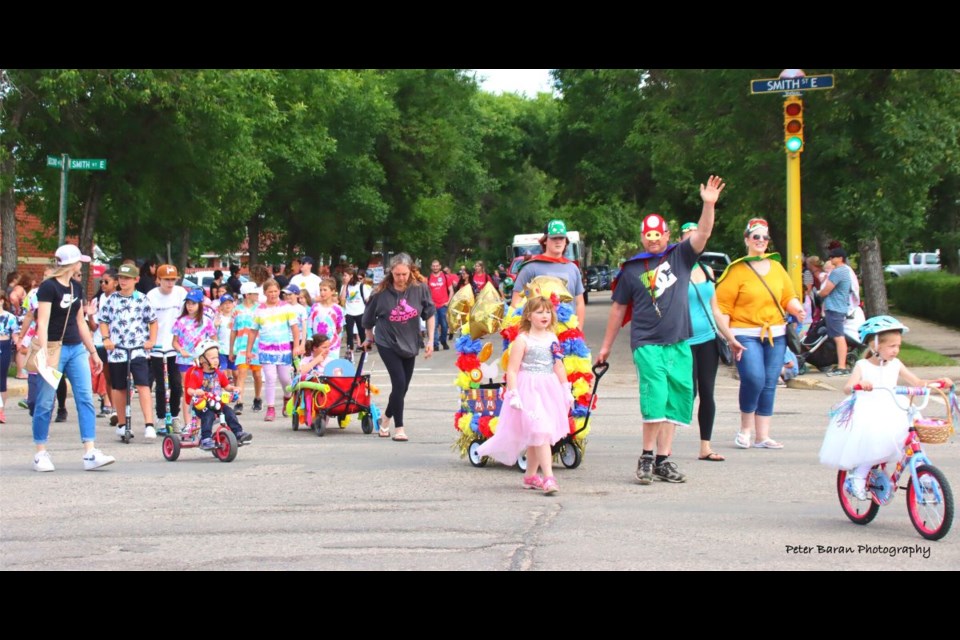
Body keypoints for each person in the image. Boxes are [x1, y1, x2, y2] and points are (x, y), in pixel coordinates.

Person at [597, 176, 725, 485]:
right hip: (647, 343)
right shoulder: (631, 269)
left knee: (676, 399)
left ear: (667, 234)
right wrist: (605, 347)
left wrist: (708, 204)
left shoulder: (680, 256)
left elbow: (704, 232)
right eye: (648, 234)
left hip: (679, 341)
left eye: (659, 233)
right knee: (655, 395)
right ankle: (645, 456)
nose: (654, 239)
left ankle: (663, 460)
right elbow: (617, 310)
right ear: (642, 237)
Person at [819, 316, 953, 499]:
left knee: (913, 437)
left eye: (898, 346)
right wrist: (860, 385)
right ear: (875, 346)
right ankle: (859, 476)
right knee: (874, 443)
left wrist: (937, 382)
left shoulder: (896, 364)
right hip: (870, 408)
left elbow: (918, 382)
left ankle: (923, 474)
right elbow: (847, 387)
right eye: (891, 346)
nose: (896, 350)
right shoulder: (863, 365)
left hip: (895, 407)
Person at [716, 217, 806, 450]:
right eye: (756, 236)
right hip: (745, 333)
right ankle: (745, 429)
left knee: (769, 382)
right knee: (754, 378)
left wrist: (796, 307)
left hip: (776, 333)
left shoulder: (777, 267)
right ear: (747, 239)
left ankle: (762, 435)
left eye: (765, 237)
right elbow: (723, 307)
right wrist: (728, 336)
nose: (761, 241)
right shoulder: (736, 270)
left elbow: (788, 296)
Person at [476, 296, 573, 495]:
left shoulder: (553, 338)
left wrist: (565, 388)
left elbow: (558, 364)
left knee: (537, 435)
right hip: (528, 389)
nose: (544, 315)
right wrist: (514, 393)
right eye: (539, 312)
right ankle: (548, 477)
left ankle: (530, 476)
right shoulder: (523, 340)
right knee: (540, 430)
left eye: (547, 311)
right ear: (529, 316)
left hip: (549, 388)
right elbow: (512, 370)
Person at [30, 244, 115, 472]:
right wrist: (45, 353)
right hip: (55, 348)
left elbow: (81, 322)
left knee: (85, 397)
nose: (81, 265)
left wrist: (93, 352)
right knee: (46, 401)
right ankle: (40, 452)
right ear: (71, 263)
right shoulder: (48, 288)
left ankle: (89, 451)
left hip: (76, 348)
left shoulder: (76, 287)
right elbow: (43, 321)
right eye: (79, 261)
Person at [680, 222, 745, 462]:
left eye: (696, 237)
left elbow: (715, 310)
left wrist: (731, 338)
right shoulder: (674, 271)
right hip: (683, 342)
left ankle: (705, 446)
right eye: (687, 238)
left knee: (707, 392)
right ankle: (663, 447)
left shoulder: (707, 271)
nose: (692, 242)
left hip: (708, 339)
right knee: (686, 392)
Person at [361, 253, 436, 442]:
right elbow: (368, 320)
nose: (401, 278)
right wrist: (369, 339)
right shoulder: (380, 292)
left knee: (403, 387)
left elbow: (430, 314)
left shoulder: (420, 289)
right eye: (397, 274)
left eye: (404, 274)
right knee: (399, 382)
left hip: (410, 341)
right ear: (391, 273)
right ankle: (399, 428)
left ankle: (385, 419)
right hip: (387, 342)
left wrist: (431, 340)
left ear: (411, 271)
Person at [98, 262, 159, 441]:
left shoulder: (142, 299)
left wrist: (151, 341)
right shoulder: (112, 299)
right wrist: (106, 339)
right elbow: (103, 321)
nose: (123, 281)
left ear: (136, 280)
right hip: (118, 350)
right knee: (119, 386)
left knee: (143, 385)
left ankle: (149, 424)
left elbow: (153, 321)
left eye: (127, 278)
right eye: (121, 278)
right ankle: (122, 423)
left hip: (138, 349)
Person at [511, 219, 586, 328]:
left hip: (567, 334)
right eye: (554, 238)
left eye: (561, 238)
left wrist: (578, 331)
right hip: (537, 336)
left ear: (566, 241)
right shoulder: (530, 268)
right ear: (545, 240)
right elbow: (516, 303)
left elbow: (579, 303)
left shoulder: (573, 268)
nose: (558, 241)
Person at [247, 278, 302, 422]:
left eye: (275, 291)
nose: (273, 294)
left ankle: (287, 398)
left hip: (283, 349)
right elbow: (253, 331)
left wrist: (296, 345)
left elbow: (295, 329)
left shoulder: (286, 307)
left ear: (279, 291)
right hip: (266, 350)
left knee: (285, 379)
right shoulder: (259, 310)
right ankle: (270, 408)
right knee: (270, 378)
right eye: (270, 291)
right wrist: (248, 350)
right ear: (265, 293)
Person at [184, 340, 253, 450]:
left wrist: (234, 388)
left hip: (217, 402)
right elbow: (189, 390)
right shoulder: (197, 374)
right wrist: (196, 392)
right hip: (202, 404)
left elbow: (227, 386)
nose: (216, 360)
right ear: (202, 360)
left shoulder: (219, 373)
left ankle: (238, 432)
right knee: (208, 415)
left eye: (217, 357)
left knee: (229, 413)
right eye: (212, 358)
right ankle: (206, 438)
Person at [172, 288, 217, 420]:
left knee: (204, 389)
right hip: (185, 360)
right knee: (189, 390)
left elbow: (214, 340)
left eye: (194, 303)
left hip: (203, 360)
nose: (190, 306)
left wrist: (212, 355)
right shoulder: (180, 321)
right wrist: (181, 350)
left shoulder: (207, 321)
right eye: (188, 303)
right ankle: (188, 423)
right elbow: (174, 342)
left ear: (200, 304)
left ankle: (202, 420)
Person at [817, 246, 854, 376]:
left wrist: (819, 293)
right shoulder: (845, 271)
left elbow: (827, 289)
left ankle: (842, 366)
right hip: (839, 307)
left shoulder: (838, 272)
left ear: (840, 258)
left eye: (833, 256)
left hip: (835, 307)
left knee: (839, 337)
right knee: (837, 336)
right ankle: (841, 363)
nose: (830, 258)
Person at [230, 281, 263, 414]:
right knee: (241, 373)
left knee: (257, 374)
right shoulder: (236, 310)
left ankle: (257, 398)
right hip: (242, 346)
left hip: (257, 346)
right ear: (247, 294)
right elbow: (233, 330)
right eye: (255, 293)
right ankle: (239, 401)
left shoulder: (260, 309)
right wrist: (231, 349)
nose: (257, 295)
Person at [88, 269, 118, 417]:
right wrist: (90, 315)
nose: (103, 284)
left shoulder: (119, 299)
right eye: (101, 281)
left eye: (106, 281)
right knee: (108, 377)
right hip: (100, 342)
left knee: (118, 376)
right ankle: (112, 408)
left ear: (115, 283)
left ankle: (120, 409)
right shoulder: (97, 300)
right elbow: (93, 327)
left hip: (116, 343)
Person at [307, 277, 344, 369]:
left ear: (332, 291)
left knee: (331, 369)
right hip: (317, 344)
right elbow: (309, 325)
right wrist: (311, 340)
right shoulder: (315, 307)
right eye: (320, 290)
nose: (322, 293)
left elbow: (339, 328)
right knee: (318, 368)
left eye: (325, 290)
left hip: (332, 345)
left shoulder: (338, 309)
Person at [339, 268, 370, 359]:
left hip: (360, 312)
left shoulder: (361, 286)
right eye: (343, 275)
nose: (344, 277)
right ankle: (350, 353)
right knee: (349, 334)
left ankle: (365, 352)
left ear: (351, 276)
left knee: (362, 333)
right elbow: (342, 298)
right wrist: (345, 285)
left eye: (345, 275)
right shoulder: (345, 286)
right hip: (349, 313)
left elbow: (368, 299)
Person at [0, 290, 20, 423]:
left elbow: (16, 335)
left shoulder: (10, 317)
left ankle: (1, 410)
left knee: (1, 380)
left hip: (3, 345)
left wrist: (20, 345)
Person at [427, 260, 453, 351]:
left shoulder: (446, 277)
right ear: (431, 267)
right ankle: (435, 344)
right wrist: (428, 302)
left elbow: (451, 290)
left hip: (443, 305)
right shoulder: (429, 278)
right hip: (433, 305)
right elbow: (426, 292)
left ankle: (443, 341)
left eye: (437, 266)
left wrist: (448, 302)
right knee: (434, 325)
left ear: (440, 266)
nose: (435, 267)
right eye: (433, 266)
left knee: (444, 325)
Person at [214, 293, 237, 385]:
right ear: (221, 306)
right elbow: (213, 334)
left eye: (229, 303)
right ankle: (224, 391)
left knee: (236, 373)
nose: (228, 305)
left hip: (235, 349)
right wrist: (215, 325)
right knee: (222, 371)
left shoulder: (236, 318)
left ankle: (237, 391)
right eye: (225, 303)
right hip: (222, 350)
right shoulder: (218, 318)